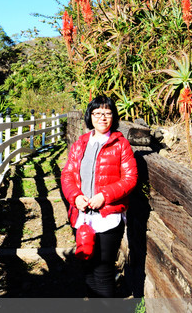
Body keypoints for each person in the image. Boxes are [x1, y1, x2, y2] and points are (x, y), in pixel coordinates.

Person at [61, 95, 138, 298]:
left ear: (113, 117)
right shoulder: (80, 144)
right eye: (97, 113)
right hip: (83, 215)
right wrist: (75, 197)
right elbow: (68, 174)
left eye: (107, 113)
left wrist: (104, 196)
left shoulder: (121, 145)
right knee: (87, 269)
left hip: (108, 217)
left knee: (103, 273)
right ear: (90, 116)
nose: (102, 117)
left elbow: (130, 179)